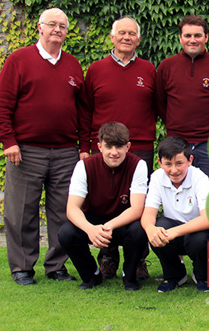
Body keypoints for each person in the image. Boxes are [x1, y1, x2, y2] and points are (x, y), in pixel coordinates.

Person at [0, 8, 83, 285]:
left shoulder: (72, 64)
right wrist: (8, 141)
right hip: (26, 150)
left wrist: (83, 145)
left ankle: (56, 266)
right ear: (40, 27)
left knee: (62, 211)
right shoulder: (18, 60)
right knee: (21, 211)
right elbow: (2, 103)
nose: (57, 30)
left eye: (62, 26)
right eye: (52, 24)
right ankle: (22, 267)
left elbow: (81, 109)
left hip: (65, 151)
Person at [79, 16, 156, 280]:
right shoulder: (96, 70)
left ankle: (138, 260)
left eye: (132, 33)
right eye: (121, 33)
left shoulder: (149, 70)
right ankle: (108, 257)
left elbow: (158, 107)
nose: (126, 37)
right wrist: (87, 146)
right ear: (112, 37)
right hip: (103, 149)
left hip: (140, 147)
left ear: (139, 39)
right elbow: (86, 110)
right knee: (105, 202)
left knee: (139, 204)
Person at [58, 122, 148, 290]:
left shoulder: (138, 165)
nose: (114, 152)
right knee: (66, 233)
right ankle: (92, 275)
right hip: (93, 220)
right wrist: (91, 229)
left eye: (119, 146)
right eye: (108, 146)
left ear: (128, 146)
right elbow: (72, 209)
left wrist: (108, 226)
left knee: (139, 229)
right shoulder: (84, 166)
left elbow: (137, 209)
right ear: (99, 147)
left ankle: (129, 276)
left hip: (122, 222)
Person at [156, 15, 209, 186]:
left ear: (206, 37)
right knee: (177, 192)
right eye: (188, 35)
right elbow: (160, 103)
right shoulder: (166, 67)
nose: (193, 40)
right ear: (180, 38)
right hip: (176, 143)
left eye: (198, 35)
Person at [141, 136, 209, 292]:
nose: (174, 170)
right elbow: (148, 213)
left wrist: (173, 232)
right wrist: (150, 229)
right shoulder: (157, 177)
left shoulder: (199, 178)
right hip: (172, 232)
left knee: (198, 240)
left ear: (190, 160)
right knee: (157, 228)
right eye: (168, 164)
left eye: (179, 163)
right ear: (160, 162)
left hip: (196, 231)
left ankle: (202, 275)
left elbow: (208, 218)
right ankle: (174, 275)